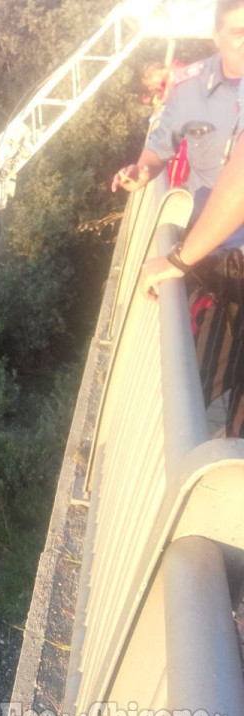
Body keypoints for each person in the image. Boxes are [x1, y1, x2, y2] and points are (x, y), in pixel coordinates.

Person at [116, 0, 244, 437]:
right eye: (238, 32)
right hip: (211, 257)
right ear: (216, 35)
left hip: (203, 253)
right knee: (197, 380)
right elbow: (161, 142)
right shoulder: (190, 86)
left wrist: (175, 261)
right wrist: (142, 169)